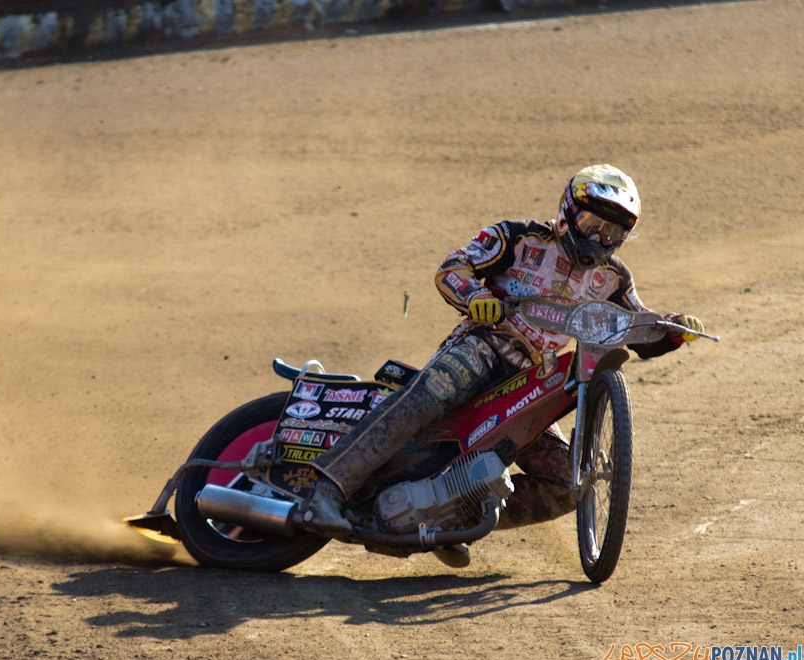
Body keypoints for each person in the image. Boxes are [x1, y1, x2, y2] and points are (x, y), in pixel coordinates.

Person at [302, 164, 705, 539]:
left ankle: (453, 519)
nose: (600, 238)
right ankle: (327, 489)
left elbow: (637, 327)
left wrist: (673, 330)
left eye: (613, 233)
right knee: (432, 395)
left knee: (568, 481)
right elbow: (452, 268)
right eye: (591, 223)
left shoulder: (614, 278)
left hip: (532, 383)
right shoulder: (517, 237)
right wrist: (476, 295)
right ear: (568, 210)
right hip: (483, 346)